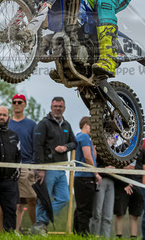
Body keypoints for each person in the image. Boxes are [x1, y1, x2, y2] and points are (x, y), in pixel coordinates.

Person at [33, 97, 77, 233]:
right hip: (47, 167)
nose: (58, 109)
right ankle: (40, 227)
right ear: (51, 107)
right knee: (43, 199)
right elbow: (37, 146)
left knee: (64, 198)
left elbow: (74, 143)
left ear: (64, 108)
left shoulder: (67, 125)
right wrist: (40, 168)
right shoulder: (44, 124)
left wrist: (65, 147)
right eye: (55, 106)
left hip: (62, 168)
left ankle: (41, 222)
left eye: (60, 106)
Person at [7, 93, 38, 231]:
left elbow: (36, 146)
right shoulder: (7, 123)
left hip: (27, 164)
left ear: (25, 105)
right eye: (14, 102)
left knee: (32, 199)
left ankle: (37, 228)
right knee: (15, 201)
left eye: (20, 102)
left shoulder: (31, 124)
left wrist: (35, 167)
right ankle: (14, 231)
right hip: (10, 165)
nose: (17, 104)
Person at [114, 146, 145, 239]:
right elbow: (114, 167)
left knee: (134, 215)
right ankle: (118, 237)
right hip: (121, 186)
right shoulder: (119, 149)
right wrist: (124, 183)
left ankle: (133, 237)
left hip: (137, 186)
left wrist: (142, 187)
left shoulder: (142, 150)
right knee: (120, 214)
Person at [73, 116, 98, 235]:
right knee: (85, 210)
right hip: (86, 177)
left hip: (79, 177)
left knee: (80, 208)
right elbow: (87, 157)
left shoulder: (78, 136)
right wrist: (96, 173)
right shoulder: (84, 137)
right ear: (86, 125)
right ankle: (84, 234)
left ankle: (76, 233)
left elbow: (92, 156)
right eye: (92, 126)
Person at [91, 147, 115, 237]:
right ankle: (93, 236)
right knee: (97, 213)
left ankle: (105, 237)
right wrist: (104, 168)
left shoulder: (116, 149)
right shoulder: (97, 146)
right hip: (100, 180)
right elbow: (92, 163)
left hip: (112, 181)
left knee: (108, 215)